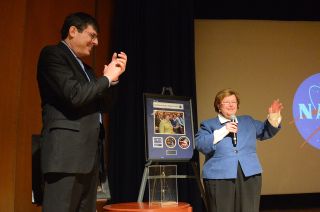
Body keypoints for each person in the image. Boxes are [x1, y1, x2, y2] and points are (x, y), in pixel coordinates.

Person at [37, 12, 127, 212]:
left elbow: (105, 106)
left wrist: (113, 78)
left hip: (89, 160)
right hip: (65, 158)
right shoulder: (52, 55)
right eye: (92, 35)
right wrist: (105, 79)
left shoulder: (87, 70)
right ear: (72, 31)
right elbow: (74, 95)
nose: (96, 42)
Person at [195, 88, 283, 212]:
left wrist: (273, 116)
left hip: (249, 174)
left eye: (234, 102)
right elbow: (200, 144)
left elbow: (266, 131)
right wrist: (224, 130)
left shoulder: (247, 121)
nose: (231, 105)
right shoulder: (208, 124)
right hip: (219, 176)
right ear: (218, 106)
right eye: (226, 102)